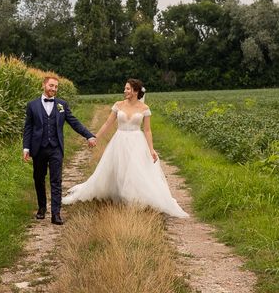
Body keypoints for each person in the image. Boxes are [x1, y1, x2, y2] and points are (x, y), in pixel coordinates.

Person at [62, 78, 188, 218]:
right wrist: (95, 137)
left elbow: (147, 131)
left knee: (134, 172)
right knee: (118, 169)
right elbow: (107, 124)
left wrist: (151, 149)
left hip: (136, 142)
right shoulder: (118, 105)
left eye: (128, 89)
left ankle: (132, 200)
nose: (125, 91)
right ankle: (118, 195)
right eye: (125, 88)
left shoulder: (144, 109)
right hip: (119, 140)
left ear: (135, 91)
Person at [23, 76, 97, 225]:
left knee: (56, 180)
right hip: (38, 148)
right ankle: (42, 207)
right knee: (39, 178)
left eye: (56, 87)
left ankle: (56, 214)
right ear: (44, 85)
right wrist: (26, 147)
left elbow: (74, 122)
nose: (54, 89)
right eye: (51, 86)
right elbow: (28, 128)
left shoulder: (62, 104)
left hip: (56, 148)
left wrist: (88, 135)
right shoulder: (32, 105)